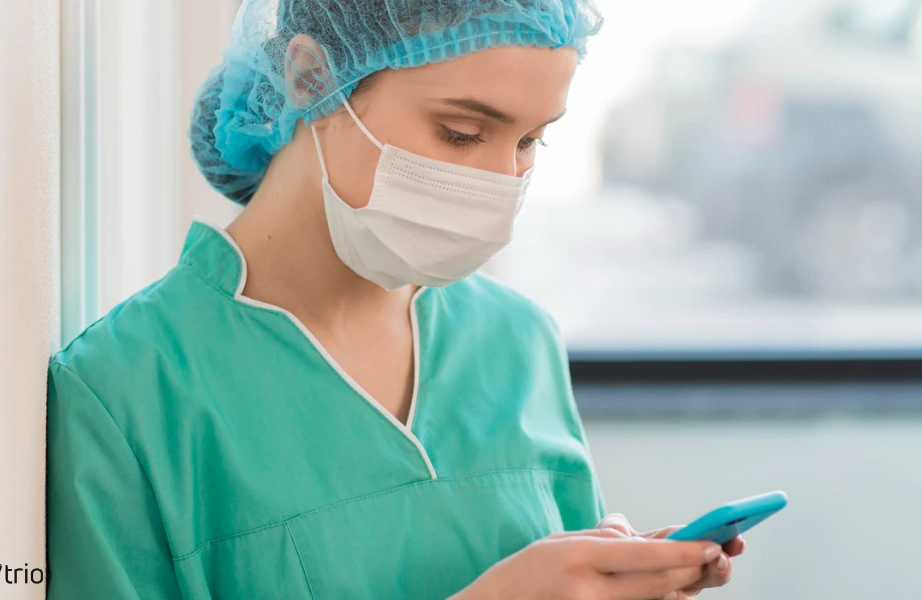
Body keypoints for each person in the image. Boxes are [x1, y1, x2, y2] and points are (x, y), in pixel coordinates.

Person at [45, 1, 745, 598]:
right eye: (462, 132)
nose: (503, 180)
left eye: (531, 140)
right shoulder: (125, 391)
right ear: (311, 76)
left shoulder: (516, 340)